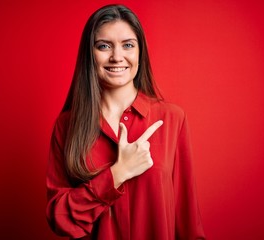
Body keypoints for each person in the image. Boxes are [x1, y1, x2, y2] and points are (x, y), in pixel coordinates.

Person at [46, 4, 205, 240]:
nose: (117, 57)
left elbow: (187, 220)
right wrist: (117, 174)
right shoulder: (67, 125)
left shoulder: (172, 119)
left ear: (140, 52)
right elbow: (60, 218)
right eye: (104, 46)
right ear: (90, 55)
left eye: (128, 45)